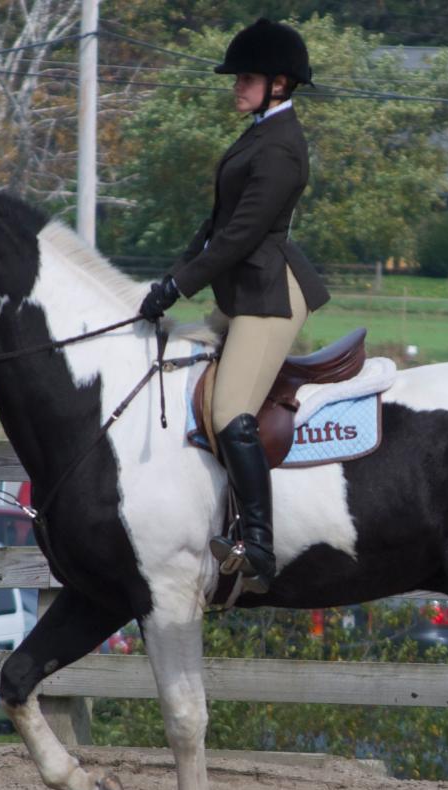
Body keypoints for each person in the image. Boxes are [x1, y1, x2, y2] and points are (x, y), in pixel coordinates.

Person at [138, 19, 330, 594]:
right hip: (241, 291)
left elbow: (241, 236)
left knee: (229, 412)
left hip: (269, 296)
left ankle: (259, 545)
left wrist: (179, 287)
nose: (236, 86)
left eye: (246, 78)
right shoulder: (258, 134)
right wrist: (174, 273)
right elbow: (216, 224)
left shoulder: (282, 147)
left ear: (279, 84)